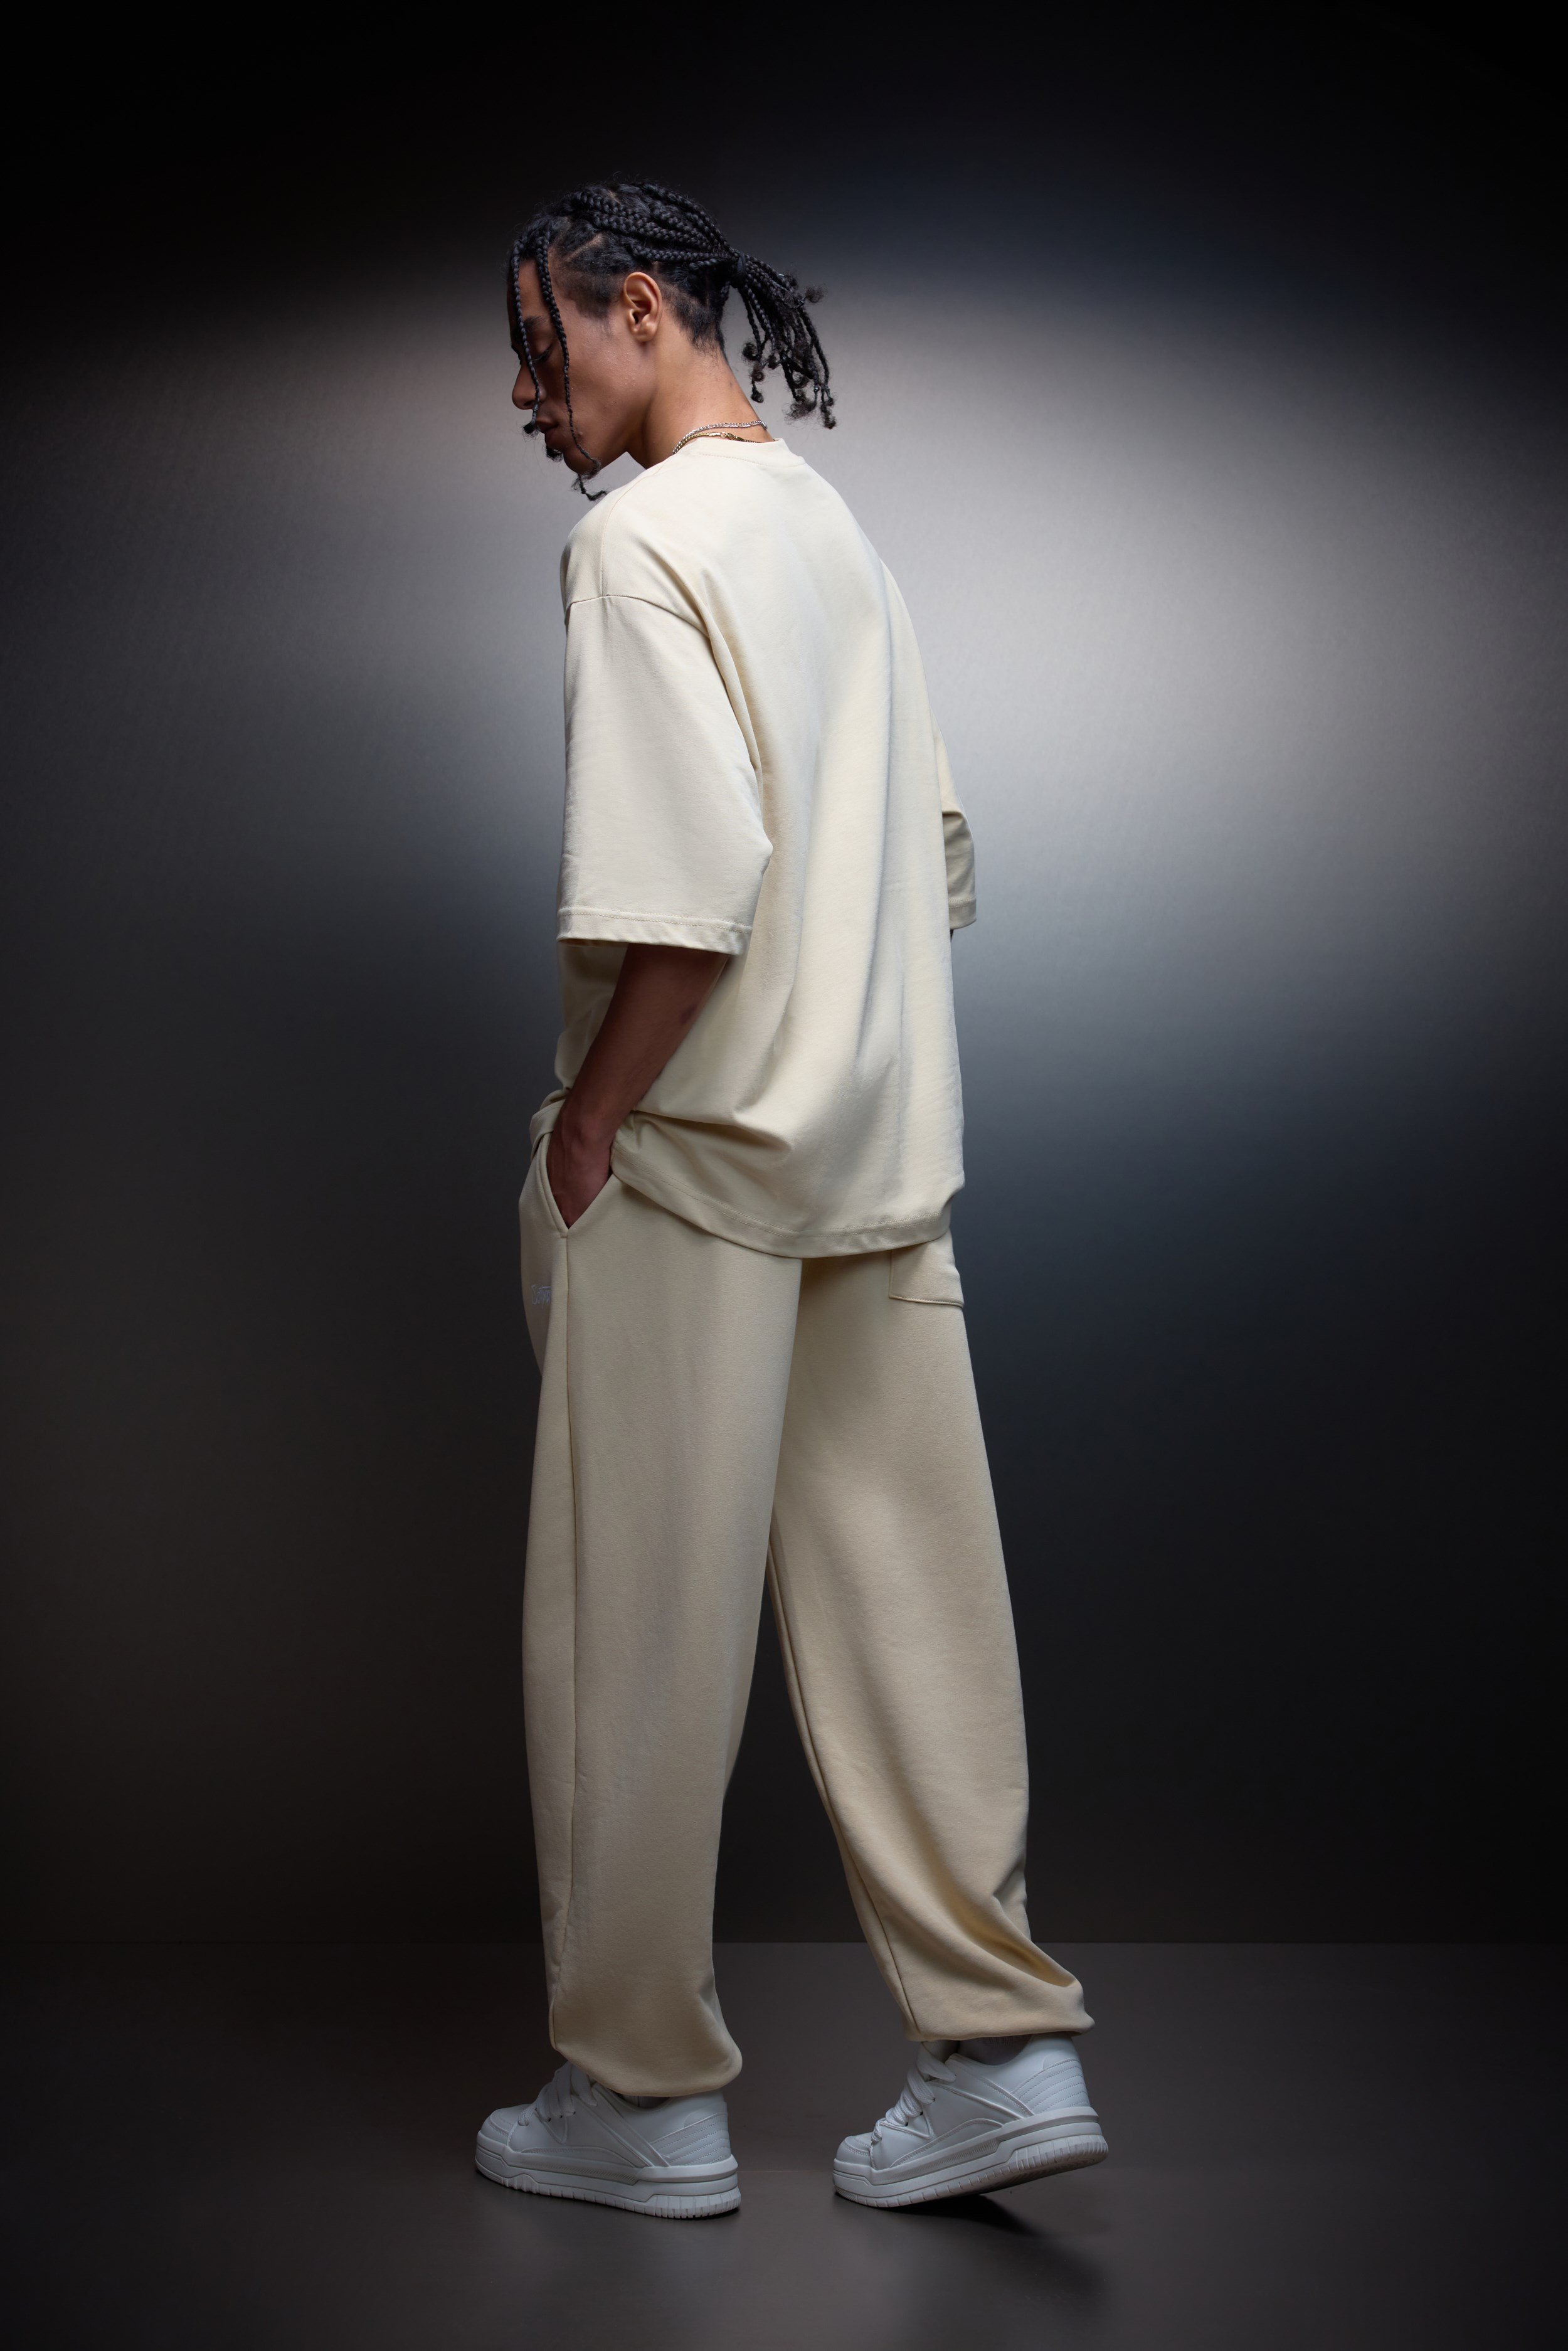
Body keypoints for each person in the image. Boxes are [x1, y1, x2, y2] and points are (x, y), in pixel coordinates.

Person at [475, 182, 1108, 2219]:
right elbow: (927, 860)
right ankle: (998, 2046)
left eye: (541, 344)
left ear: (642, 311)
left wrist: (590, 1125)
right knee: (918, 1610)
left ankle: (638, 2092)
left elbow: (687, 897)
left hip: (693, 1167)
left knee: (635, 1636)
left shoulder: (637, 544)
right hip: (875, 1158)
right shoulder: (839, 539)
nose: (526, 394)